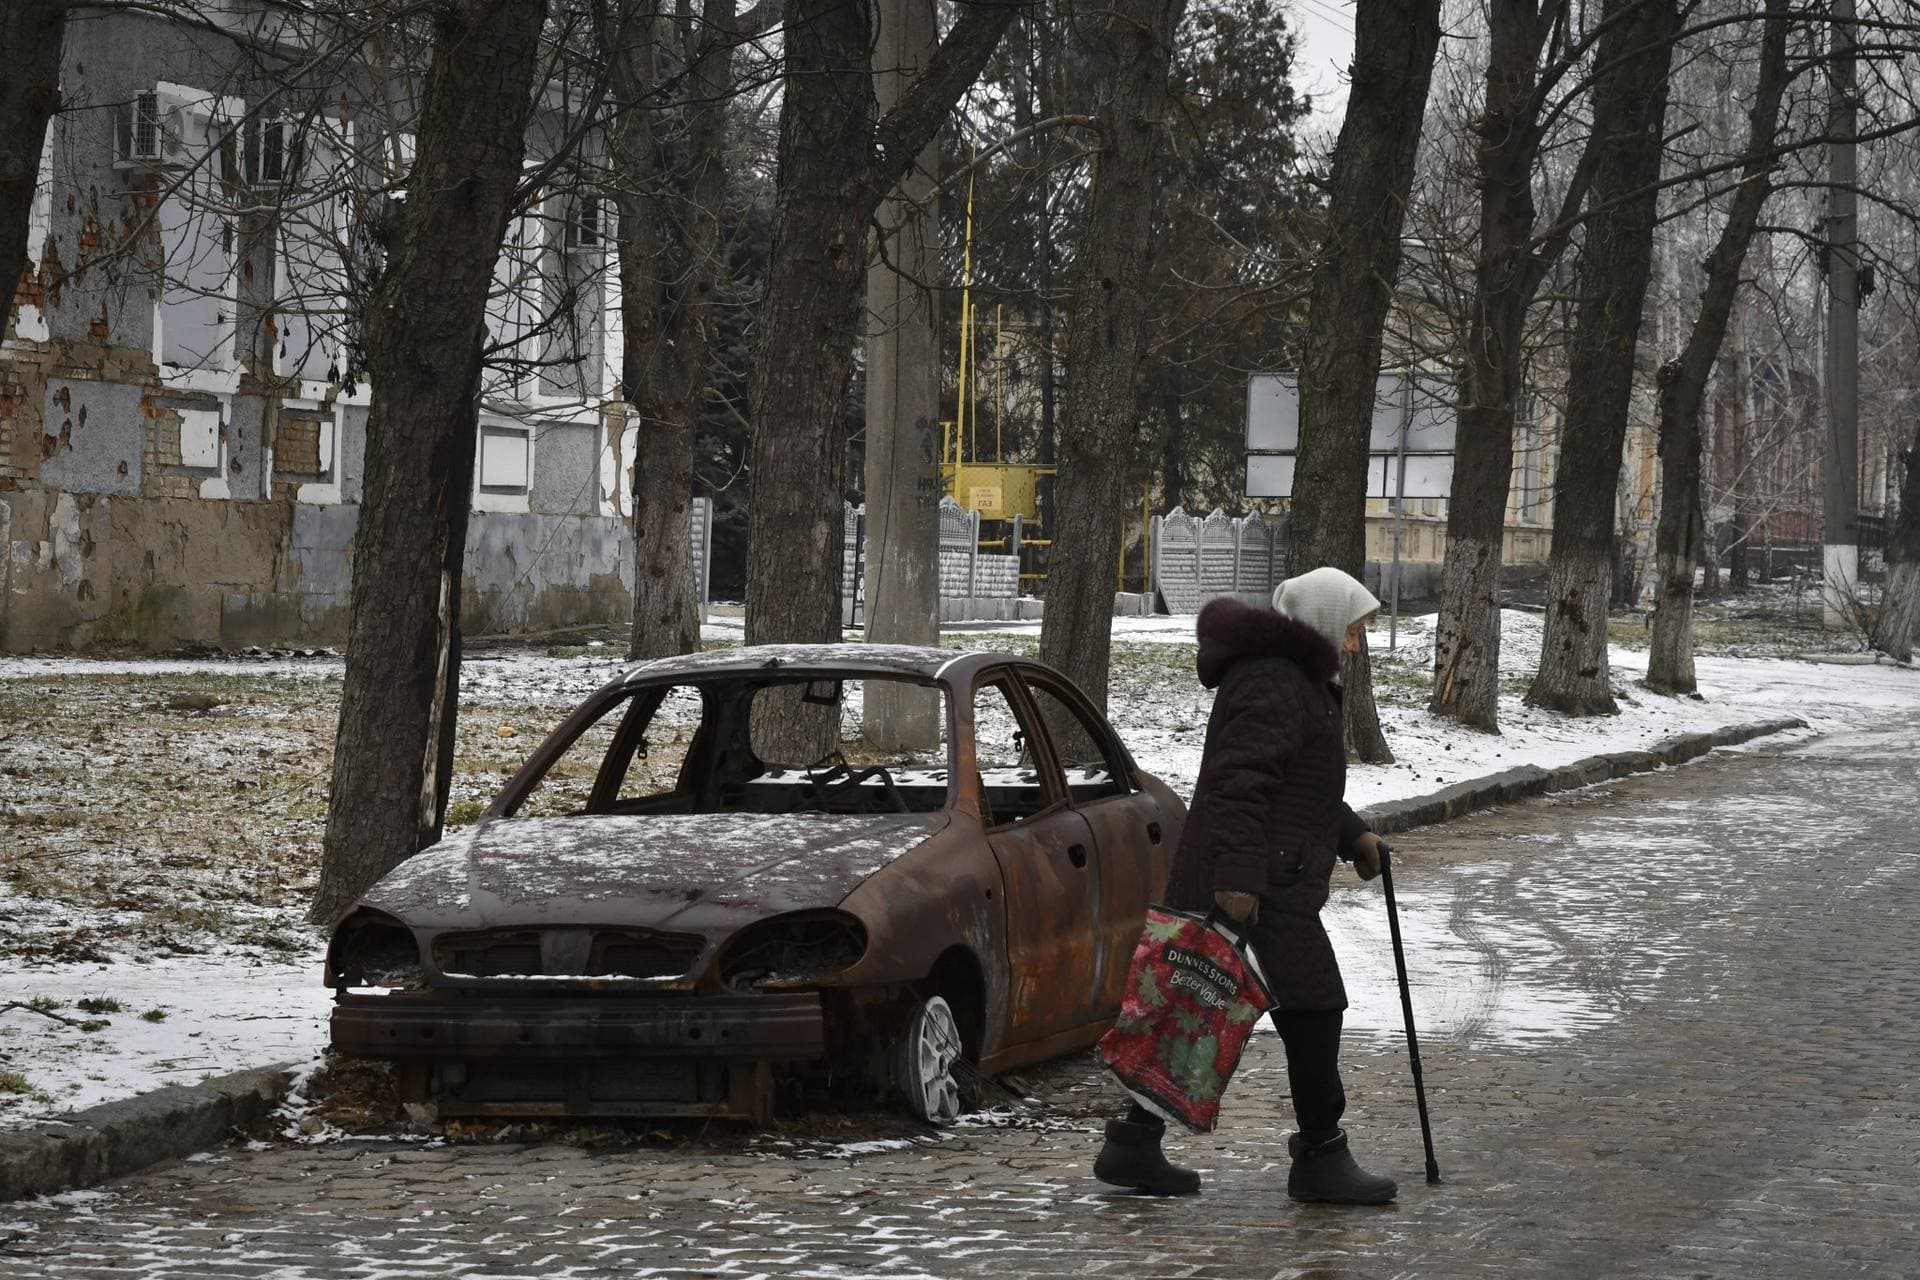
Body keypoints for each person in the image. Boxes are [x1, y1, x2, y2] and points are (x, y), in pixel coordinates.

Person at [1094, 565, 1399, 1205]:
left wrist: (1354, 836)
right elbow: (1238, 784)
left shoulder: (1295, 681)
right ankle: (1320, 1156)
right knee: (1315, 1008)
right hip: (1259, 883)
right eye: (1349, 629)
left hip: (1263, 874)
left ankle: (1133, 1146)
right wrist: (1237, 879)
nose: (1354, 643)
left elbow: (1297, 790)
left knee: (1190, 1006)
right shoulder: (1276, 682)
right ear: (1320, 621)